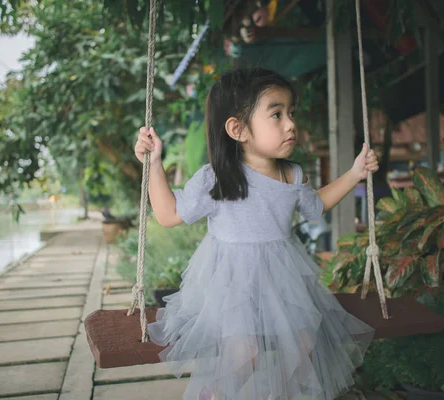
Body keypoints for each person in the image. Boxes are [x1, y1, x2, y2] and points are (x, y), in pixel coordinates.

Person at [134, 68, 377, 400]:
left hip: (282, 277)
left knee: (305, 343)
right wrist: (155, 164)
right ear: (238, 129)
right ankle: (214, 394)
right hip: (232, 283)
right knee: (245, 353)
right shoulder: (217, 178)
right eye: (276, 114)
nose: (291, 123)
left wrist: (355, 173)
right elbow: (169, 214)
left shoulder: (291, 175)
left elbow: (315, 205)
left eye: (291, 113)